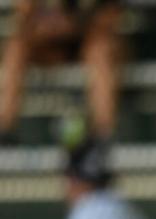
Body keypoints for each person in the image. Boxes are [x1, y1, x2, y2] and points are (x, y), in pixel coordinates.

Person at [0, 0, 123, 145]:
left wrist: (73, 23)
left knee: (101, 50)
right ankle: (4, 128)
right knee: (16, 48)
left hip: (88, 39)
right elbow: (24, 15)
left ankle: (103, 133)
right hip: (47, 43)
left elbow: (109, 17)